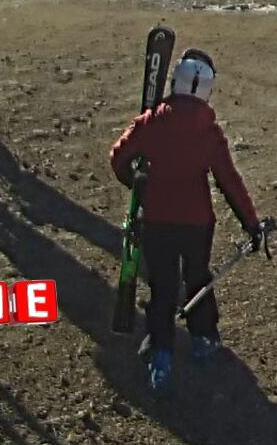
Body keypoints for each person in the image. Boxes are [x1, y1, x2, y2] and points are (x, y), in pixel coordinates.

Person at [108, 48, 264, 396]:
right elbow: (229, 180)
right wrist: (251, 223)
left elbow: (118, 158)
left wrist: (135, 182)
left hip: (157, 220)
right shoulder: (209, 133)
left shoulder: (150, 123)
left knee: (163, 286)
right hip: (197, 223)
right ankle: (203, 338)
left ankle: (161, 353)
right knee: (197, 277)